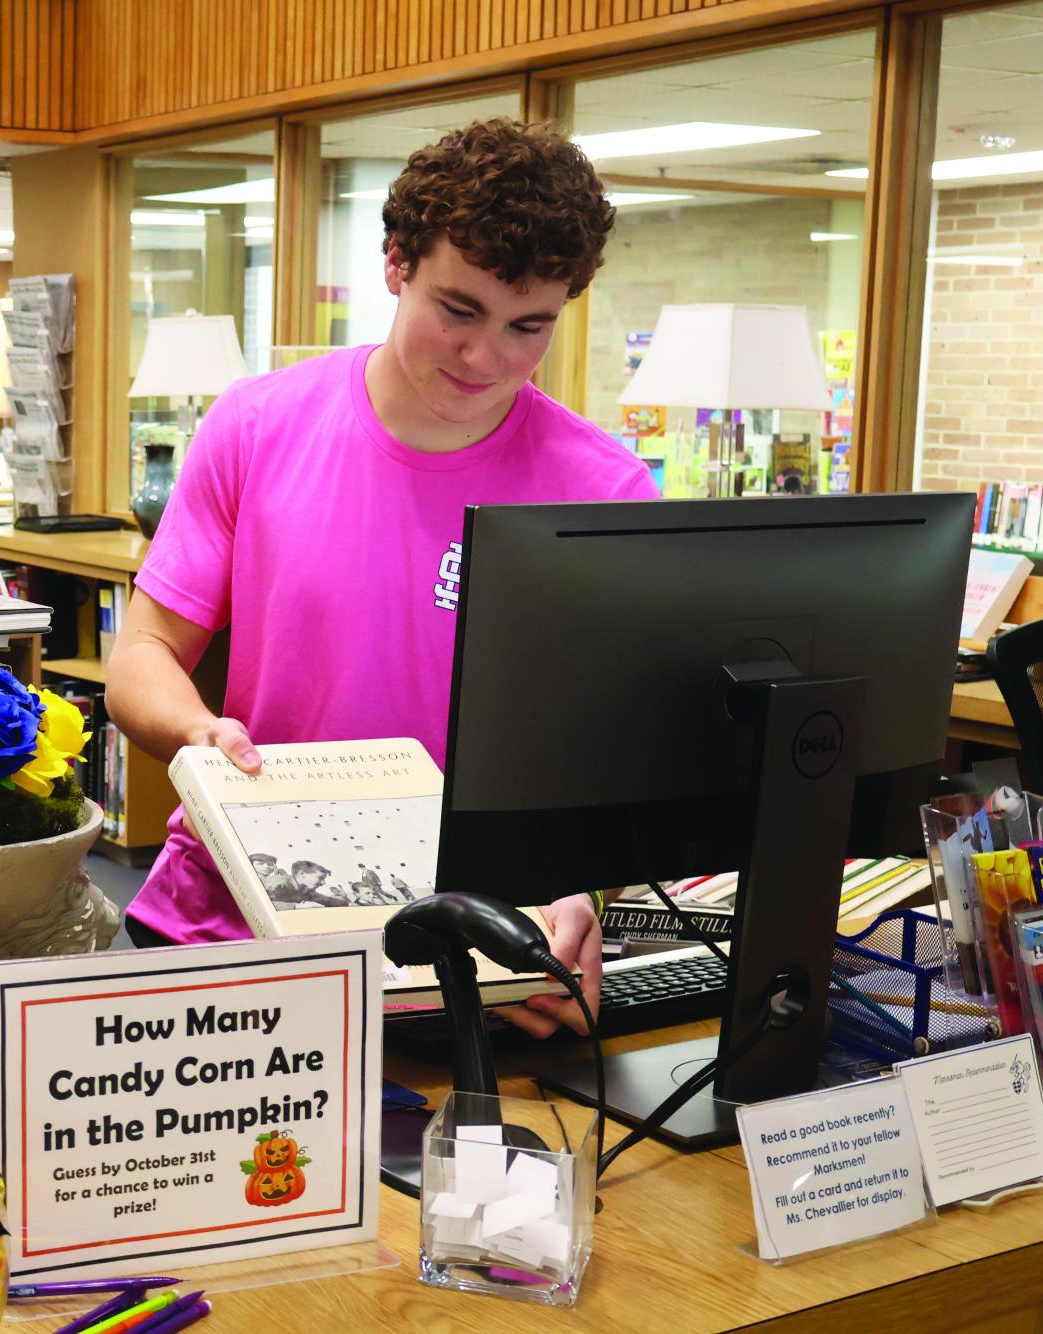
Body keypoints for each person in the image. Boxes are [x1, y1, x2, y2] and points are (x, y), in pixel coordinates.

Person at [110, 118, 659, 1038]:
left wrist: (574, 893)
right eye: (458, 310)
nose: (485, 359)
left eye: (529, 327)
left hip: (466, 944)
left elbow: (601, 745)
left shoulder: (601, 488)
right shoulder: (255, 426)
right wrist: (198, 735)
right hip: (233, 928)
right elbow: (144, 650)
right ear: (397, 264)